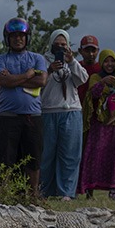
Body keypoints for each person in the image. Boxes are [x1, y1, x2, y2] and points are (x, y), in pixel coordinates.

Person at [0, 18, 48, 195]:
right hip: (8, 116)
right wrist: (27, 75)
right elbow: (2, 81)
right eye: (14, 36)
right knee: (5, 158)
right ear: (7, 38)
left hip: (33, 116)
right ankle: (3, 194)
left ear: (27, 38)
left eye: (21, 36)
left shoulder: (37, 58)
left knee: (33, 158)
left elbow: (42, 80)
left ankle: (33, 195)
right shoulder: (0, 59)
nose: (18, 39)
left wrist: (13, 78)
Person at [78, 50, 115, 200]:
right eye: (106, 61)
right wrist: (103, 82)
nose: (109, 64)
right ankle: (90, 189)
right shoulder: (95, 77)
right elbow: (92, 95)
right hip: (100, 122)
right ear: (101, 63)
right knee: (95, 154)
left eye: (112, 61)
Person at [40, 29, 88, 200]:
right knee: (46, 154)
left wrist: (72, 61)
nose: (60, 47)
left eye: (63, 45)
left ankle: (66, 192)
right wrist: (49, 69)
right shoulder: (42, 60)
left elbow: (83, 79)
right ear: (51, 44)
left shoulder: (71, 61)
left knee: (70, 154)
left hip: (71, 111)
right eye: (57, 44)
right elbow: (37, 83)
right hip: (48, 110)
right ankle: (44, 189)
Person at [76, 35, 101, 103]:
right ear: (80, 51)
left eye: (93, 51)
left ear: (98, 51)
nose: (91, 54)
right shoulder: (76, 67)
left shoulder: (102, 69)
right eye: (87, 51)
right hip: (78, 106)